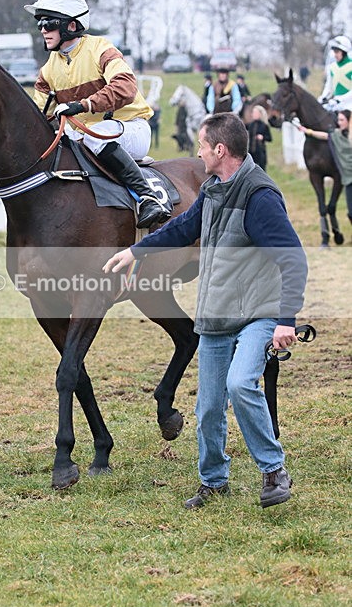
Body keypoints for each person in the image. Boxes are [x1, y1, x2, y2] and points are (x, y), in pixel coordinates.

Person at [103, 112, 308, 510]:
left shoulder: (259, 197)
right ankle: (213, 481)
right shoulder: (213, 189)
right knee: (208, 406)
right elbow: (181, 229)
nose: (196, 153)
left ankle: (273, 470)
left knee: (240, 384)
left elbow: (293, 260)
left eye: (200, 145)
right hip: (216, 314)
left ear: (220, 149)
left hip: (257, 314)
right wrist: (134, 250)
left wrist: (286, 321)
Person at [24, 0, 170, 228]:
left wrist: (83, 105)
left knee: (95, 137)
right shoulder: (49, 68)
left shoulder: (101, 49)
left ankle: (147, 197)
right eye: (39, 23)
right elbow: (40, 114)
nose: (42, 30)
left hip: (129, 129)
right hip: (86, 134)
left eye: (48, 23)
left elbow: (125, 86)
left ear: (70, 26)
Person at [296, 110, 352, 227]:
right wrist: (307, 131)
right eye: (338, 119)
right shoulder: (337, 135)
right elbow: (324, 135)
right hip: (349, 180)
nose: (338, 122)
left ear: (349, 121)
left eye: (341, 120)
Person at [320, 35, 352, 112]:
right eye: (334, 52)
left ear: (344, 52)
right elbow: (329, 86)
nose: (335, 55)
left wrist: (340, 99)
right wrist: (323, 97)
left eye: (337, 52)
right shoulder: (332, 67)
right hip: (336, 103)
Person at [247, 104, 272, 171]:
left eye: (255, 113)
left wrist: (262, 137)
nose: (253, 114)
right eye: (253, 112)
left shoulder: (264, 125)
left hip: (260, 152)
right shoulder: (251, 125)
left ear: (260, 114)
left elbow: (269, 138)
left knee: (262, 171)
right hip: (251, 152)